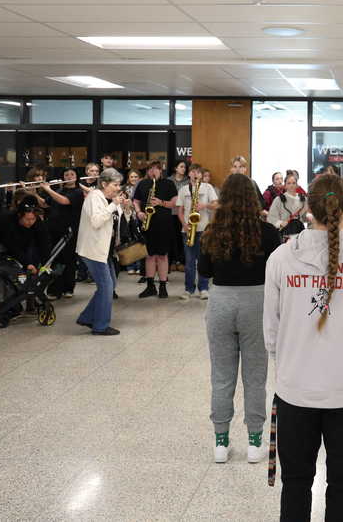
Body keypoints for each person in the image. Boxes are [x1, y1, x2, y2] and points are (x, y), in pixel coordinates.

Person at [263, 174, 343, 521]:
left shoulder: (280, 258)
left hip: (295, 390)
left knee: (296, 482)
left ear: (307, 208)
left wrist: (288, 366)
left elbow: (271, 331)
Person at [199, 172, 283, 464]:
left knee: (221, 377)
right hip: (256, 303)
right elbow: (277, 273)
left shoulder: (211, 232)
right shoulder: (269, 232)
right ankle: (254, 443)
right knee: (255, 377)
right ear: (253, 199)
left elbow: (204, 272)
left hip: (221, 301)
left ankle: (221, 444)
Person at [0, 193, 52, 319]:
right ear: (19, 216)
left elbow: (44, 243)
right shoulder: (7, 222)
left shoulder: (36, 222)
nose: (31, 222)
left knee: (13, 272)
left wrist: (45, 263)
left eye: (33, 219)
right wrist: (28, 263)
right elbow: (14, 248)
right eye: (27, 219)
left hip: (11, 242)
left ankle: (13, 303)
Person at [76, 168, 127, 336]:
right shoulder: (94, 197)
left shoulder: (109, 198)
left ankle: (87, 317)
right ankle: (100, 326)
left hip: (105, 250)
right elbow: (97, 221)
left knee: (109, 284)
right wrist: (114, 205)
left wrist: (123, 207)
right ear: (104, 184)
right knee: (106, 287)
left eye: (119, 184)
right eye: (115, 184)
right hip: (93, 249)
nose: (118, 188)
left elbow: (117, 220)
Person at [133, 161, 179, 299]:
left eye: (156, 169)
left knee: (162, 255)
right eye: (151, 169)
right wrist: (138, 212)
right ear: (147, 171)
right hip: (148, 224)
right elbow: (136, 201)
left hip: (164, 224)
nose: (153, 171)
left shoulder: (169, 184)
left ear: (161, 170)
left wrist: (161, 202)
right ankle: (150, 286)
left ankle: (163, 286)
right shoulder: (142, 183)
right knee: (149, 255)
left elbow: (175, 203)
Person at [177, 164, 219, 301]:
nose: (196, 175)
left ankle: (204, 288)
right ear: (189, 174)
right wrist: (185, 225)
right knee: (189, 262)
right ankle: (188, 289)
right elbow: (180, 211)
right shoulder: (183, 189)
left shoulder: (208, 188)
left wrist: (204, 205)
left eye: (198, 172)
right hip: (187, 229)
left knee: (203, 260)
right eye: (193, 172)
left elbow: (216, 205)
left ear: (201, 175)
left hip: (204, 229)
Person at [46, 168, 84, 299]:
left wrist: (48, 189)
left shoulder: (78, 192)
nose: (68, 176)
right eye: (66, 174)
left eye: (72, 174)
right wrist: (31, 192)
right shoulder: (59, 191)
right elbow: (45, 204)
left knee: (68, 260)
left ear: (76, 176)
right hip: (55, 230)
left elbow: (64, 201)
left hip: (69, 231)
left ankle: (68, 288)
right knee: (56, 260)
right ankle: (55, 288)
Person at [267, 173, 307, 240]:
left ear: (297, 185)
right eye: (289, 183)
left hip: (300, 233)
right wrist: (281, 223)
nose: (291, 185)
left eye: (294, 183)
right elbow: (271, 218)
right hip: (285, 234)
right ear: (285, 185)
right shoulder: (279, 200)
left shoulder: (303, 199)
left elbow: (306, 217)